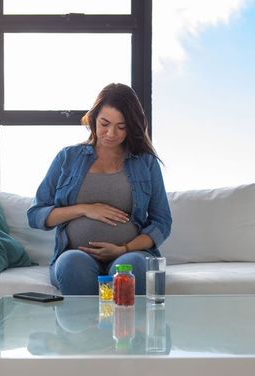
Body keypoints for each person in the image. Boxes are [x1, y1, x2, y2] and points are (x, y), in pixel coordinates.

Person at [27, 83, 172, 295]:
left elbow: (162, 222)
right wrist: (85, 209)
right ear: (93, 118)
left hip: (131, 253)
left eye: (121, 127)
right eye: (105, 123)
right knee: (71, 264)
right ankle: (86, 328)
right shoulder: (67, 158)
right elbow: (36, 215)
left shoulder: (146, 163)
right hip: (75, 254)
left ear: (131, 127)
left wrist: (124, 249)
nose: (111, 133)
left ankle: (128, 327)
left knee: (132, 267)